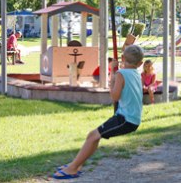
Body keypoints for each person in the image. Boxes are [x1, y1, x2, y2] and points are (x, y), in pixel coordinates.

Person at [52, 45, 144, 180]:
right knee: (94, 136)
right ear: (140, 63)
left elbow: (114, 97)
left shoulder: (121, 74)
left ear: (123, 58)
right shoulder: (136, 74)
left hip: (126, 119)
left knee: (93, 136)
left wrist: (113, 72)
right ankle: (76, 165)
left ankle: (72, 169)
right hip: (130, 118)